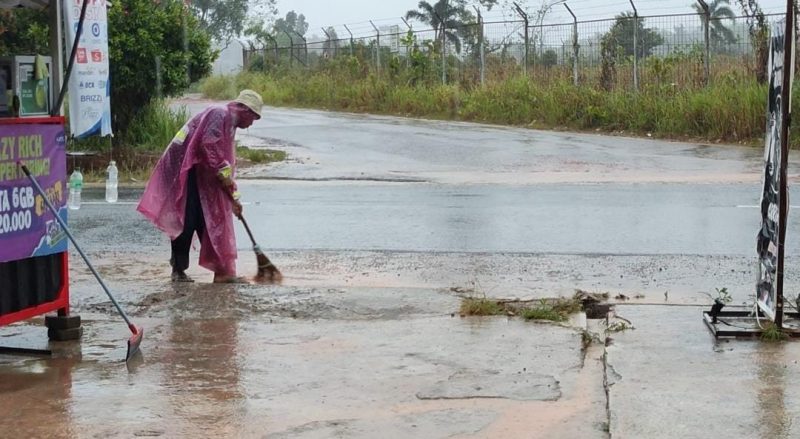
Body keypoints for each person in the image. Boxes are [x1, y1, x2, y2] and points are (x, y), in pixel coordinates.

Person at [137, 89, 263, 283]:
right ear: (244, 110)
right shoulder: (219, 114)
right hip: (185, 172)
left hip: (200, 174)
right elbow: (208, 146)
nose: (251, 123)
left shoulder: (230, 124)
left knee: (208, 220)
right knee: (187, 220)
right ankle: (178, 270)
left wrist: (233, 194)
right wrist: (223, 175)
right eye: (253, 118)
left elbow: (225, 162)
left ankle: (222, 271)